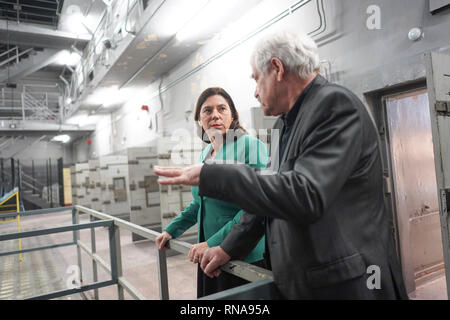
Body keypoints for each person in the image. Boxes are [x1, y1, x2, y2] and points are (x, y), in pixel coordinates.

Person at [154, 31, 408, 300]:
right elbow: (266, 201)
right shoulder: (284, 124)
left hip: (346, 284)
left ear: (276, 68)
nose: (254, 91)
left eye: (256, 78)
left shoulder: (334, 105)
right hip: (302, 281)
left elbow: (305, 193)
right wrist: (227, 248)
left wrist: (213, 175)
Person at [155, 87, 268, 298]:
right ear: (199, 119)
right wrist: (172, 230)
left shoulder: (250, 146)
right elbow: (199, 203)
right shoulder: (206, 153)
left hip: (241, 255)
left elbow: (255, 206)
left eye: (222, 109)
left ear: (232, 115)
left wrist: (212, 242)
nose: (215, 115)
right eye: (207, 110)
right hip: (209, 256)